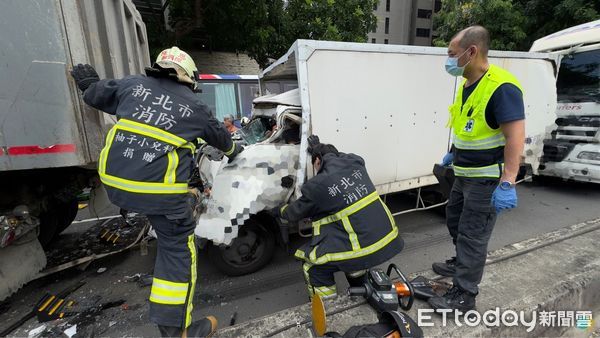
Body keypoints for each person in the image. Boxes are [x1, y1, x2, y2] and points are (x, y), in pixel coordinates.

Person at [70, 47, 243, 337]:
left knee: (179, 199)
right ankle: (178, 332)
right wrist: (237, 151)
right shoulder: (196, 107)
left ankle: (186, 198)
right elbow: (226, 143)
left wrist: (87, 83)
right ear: (189, 78)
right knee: (177, 250)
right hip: (158, 194)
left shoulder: (132, 86)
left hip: (115, 186)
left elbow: (95, 94)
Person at [429, 26, 525, 312]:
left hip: (486, 180)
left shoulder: (502, 87)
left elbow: (514, 136)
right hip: (463, 174)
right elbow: (466, 128)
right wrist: (452, 154)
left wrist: (508, 180)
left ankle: (464, 295)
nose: (448, 61)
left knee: (473, 234)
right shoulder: (467, 85)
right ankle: (461, 263)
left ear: (471, 52)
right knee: (454, 219)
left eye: (451, 54)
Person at [273, 136, 404, 299]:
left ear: (318, 161)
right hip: (388, 238)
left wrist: (278, 209)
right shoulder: (356, 165)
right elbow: (339, 158)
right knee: (352, 255)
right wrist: (322, 150)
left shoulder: (317, 185)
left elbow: (293, 213)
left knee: (313, 267)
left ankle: (328, 306)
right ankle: (362, 291)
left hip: (364, 247)